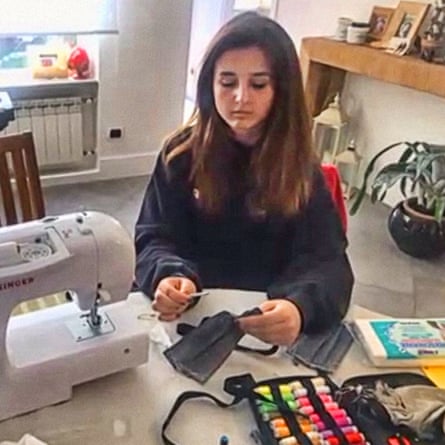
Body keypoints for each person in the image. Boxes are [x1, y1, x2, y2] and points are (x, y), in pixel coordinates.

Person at [134, 11, 354, 346]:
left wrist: (299, 307)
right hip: (188, 320)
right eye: (227, 82)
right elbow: (153, 237)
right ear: (209, 84)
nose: (241, 97)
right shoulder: (179, 156)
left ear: (281, 90)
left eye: (258, 84)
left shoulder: (301, 167)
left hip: (265, 327)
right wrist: (169, 274)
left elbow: (329, 264)